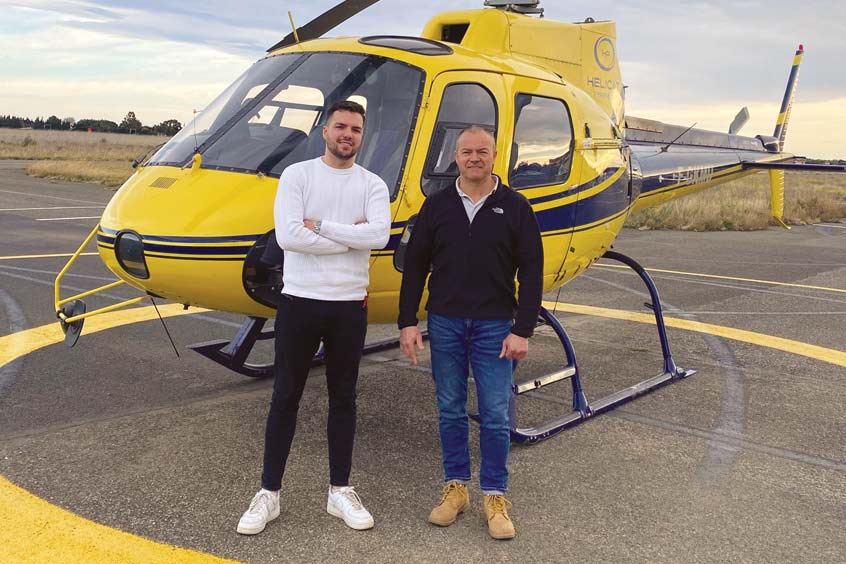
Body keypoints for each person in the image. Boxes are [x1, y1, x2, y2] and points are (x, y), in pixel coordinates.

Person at [237, 100, 390, 535]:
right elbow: (288, 236)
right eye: (340, 127)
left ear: (362, 135)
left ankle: (340, 490)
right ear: (325, 131)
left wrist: (320, 226)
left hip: (349, 305)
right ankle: (269, 493)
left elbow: (379, 235)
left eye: (355, 129)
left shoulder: (373, 184)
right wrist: (351, 238)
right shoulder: (297, 175)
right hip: (300, 301)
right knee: (285, 396)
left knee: (344, 397)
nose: (347, 135)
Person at [398, 125, 543, 540]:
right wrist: (407, 321)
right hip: (445, 322)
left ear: (494, 156)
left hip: (495, 326)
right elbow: (415, 267)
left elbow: (532, 271)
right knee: (450, 408)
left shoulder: (515, 207)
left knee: (495, 414)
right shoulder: (437, 206)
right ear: (456, 157)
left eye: (482, 151)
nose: (474, 158)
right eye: (466, 152)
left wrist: (522, 329)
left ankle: (495, 495)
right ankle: (456, 488)